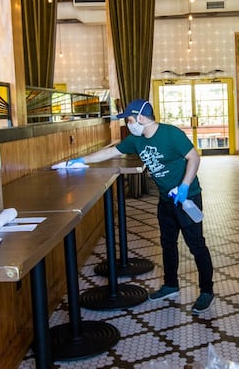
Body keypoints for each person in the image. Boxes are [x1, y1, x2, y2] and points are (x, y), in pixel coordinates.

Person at [56, 98, 214, 314]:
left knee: (196, 245)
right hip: (166, 200)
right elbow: (112, 152)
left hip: (187, 198)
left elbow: (194, 158)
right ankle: (170, 285)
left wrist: (185, 186)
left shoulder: (171, 134)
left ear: (140, 118)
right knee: (167, 243)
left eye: (129, 119)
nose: (128, 124)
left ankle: (206, 291)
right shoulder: (136, 140)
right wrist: (81, 161)